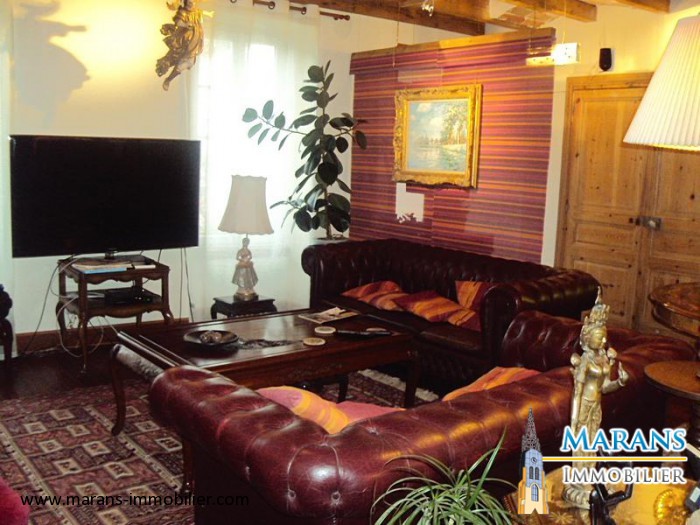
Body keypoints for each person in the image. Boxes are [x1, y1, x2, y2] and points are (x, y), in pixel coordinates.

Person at [156, 0, 210, 90]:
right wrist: (185, 24)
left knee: (189, 62)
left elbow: (201, 13)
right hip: (185, 39)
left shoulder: (196, 12)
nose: (192, 3)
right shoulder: (183, 12)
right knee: (182, 57)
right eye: (189, 1)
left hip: (195, 38)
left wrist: (208, 14)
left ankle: (169, 79)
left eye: (193, 1)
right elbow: (178, 22)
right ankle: (168, 77)